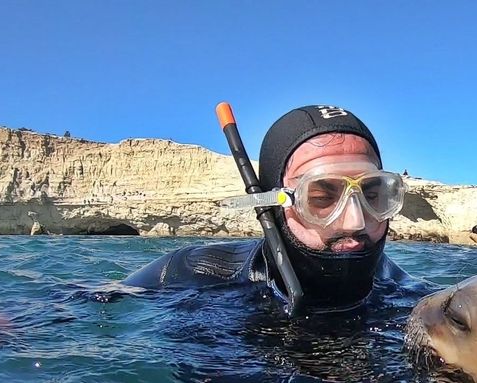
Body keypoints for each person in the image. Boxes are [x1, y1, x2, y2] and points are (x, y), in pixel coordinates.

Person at [124, 104, 424, 312]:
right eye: (321, 198)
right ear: (272, 206)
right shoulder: (188, 273)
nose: (355, 221)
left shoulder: (413, 298)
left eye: (373, 195)